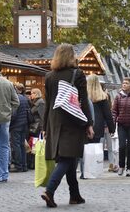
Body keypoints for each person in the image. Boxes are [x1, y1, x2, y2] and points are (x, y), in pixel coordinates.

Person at [40, 44, 94, 208]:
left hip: (54, 121)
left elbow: (48, 103)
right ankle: (49, 191)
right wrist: (89, 124)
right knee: (67, 158)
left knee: (70, 156)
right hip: (73, 119)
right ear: (71, 56)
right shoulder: (78, 74)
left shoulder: (49, 76)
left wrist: (45, 126)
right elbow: (83, 101)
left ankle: (75, 195)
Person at [10, 82, 30, 173]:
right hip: (24, 124)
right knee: (22, 145)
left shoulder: (15, 98)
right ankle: (24, 165)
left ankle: (18, 166)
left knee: (16, 145)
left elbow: (13, 115)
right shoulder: (24, 98)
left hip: (16, 125)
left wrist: (9, 124)